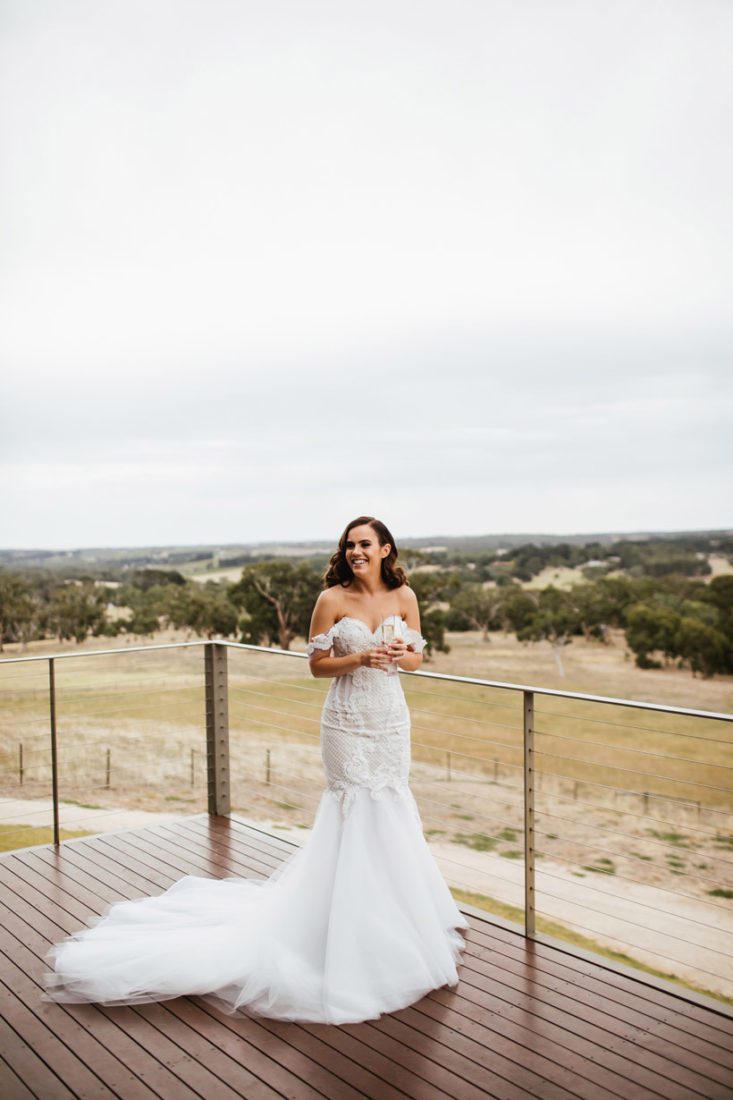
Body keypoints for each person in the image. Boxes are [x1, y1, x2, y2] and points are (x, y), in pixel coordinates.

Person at [43, 515, 469, 1025]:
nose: (356, 552)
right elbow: (315, 666)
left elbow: (418, 660)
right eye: (349, 545)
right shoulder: (331, 599)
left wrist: (402, 653)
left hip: (391, 721)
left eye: (364, 544)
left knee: (393, 804)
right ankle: (339, 927)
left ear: (385, 550)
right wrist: (359, 657)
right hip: (347, 721)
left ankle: (397, 916)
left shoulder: (406, 596)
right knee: (352, 811)